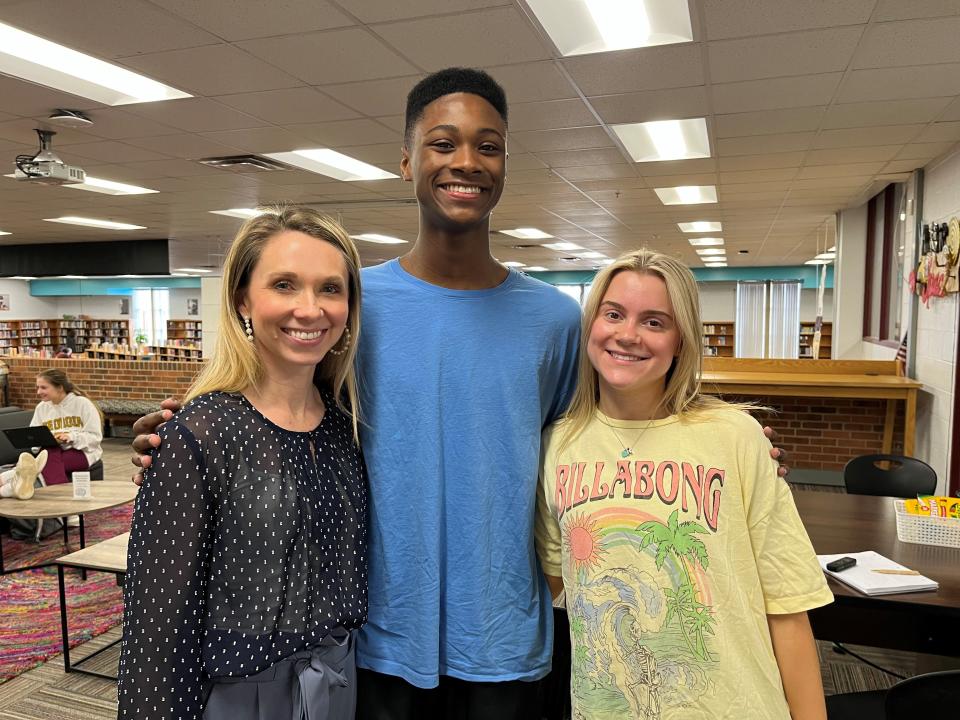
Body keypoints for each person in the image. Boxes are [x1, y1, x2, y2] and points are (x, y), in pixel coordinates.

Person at [131, 68, 788, 719]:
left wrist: (721, 440)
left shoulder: (555, 320)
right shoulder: (354, 305)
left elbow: (603, 433)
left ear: (505, 162)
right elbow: (289, 408)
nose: (466, 161)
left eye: (488, 145)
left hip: (506, 635)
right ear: (408, 160)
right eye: (443, 143)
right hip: (380, 635)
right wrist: (186, 436)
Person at [535, 249, 832, 720]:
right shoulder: (556, 446)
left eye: (655, 322)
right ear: (590, 324)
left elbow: (788, 606)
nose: (627, 335)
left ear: (681, 341)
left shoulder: (735, 436)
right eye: (613, 314)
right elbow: (562, 584)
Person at [116, 206, 368, 719]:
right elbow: (157, 629)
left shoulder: (347, 428)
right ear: (242, 299)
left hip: (340, 683)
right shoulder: (198, 437)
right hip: (239, 693)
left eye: (329, 289)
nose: (309, 308)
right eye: (283, 285)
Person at [31, 368, 102, 485]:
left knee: (43, 464)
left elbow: (95, 438)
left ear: (60, 387)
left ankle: (6, 480)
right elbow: (34, 436)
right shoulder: (41, 407)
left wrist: (70, 437)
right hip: (51, 451)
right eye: (38, 387)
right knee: (48, 455)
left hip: (81, 451)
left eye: (43, 387)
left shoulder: (82, 404)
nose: (38, 392)